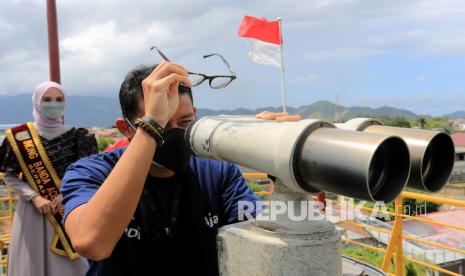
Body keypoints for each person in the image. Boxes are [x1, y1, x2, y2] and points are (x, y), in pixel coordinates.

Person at [61, 62, 300, 276]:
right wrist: (152, 125)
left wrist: (282, 169)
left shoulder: (217, 171)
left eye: (185, 122)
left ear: (195, 115)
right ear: (125, 129)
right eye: (162, 125)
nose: (175, 134)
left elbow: (265, 235)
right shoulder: (92, 172)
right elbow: (92, 243)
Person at [0, 81, 98, 276]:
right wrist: (34, 197)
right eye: (47, 99)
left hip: (68, 210)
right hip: (32, 212)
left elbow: (88, 173)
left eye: (59, 99)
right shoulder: (19, 137)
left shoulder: (81, 137)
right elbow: (8, 174)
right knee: (30, 265)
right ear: (37, 101)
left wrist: (67, 195)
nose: (53, 104)